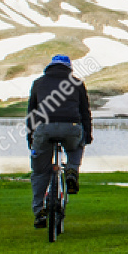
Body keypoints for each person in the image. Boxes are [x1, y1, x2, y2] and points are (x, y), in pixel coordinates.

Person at [26, 54, 92, 228]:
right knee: (76, 146)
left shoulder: (39, 83)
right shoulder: (77, 83)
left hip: (44, 128)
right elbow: (85, 112)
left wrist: (30, 137)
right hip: (71, 127)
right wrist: (87, 136)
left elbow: (31, 112)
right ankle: (71, 170)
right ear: (69, 68)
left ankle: (39, 211)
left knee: (40, 172)